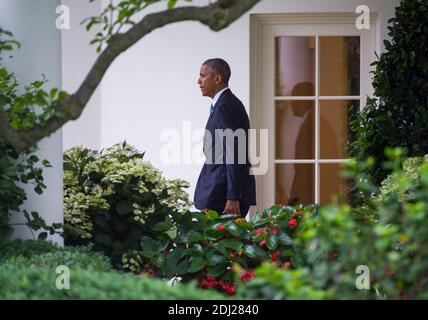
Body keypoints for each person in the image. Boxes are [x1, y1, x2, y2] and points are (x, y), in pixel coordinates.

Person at [194, 58, 256, 217]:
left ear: (217, 78)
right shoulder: (224, 104)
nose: (198, 81)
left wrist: (233, 196)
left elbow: (235, 152)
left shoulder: (225, 107)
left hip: (223, 197)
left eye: (203, 76)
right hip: (219, 193)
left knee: (224, 242)